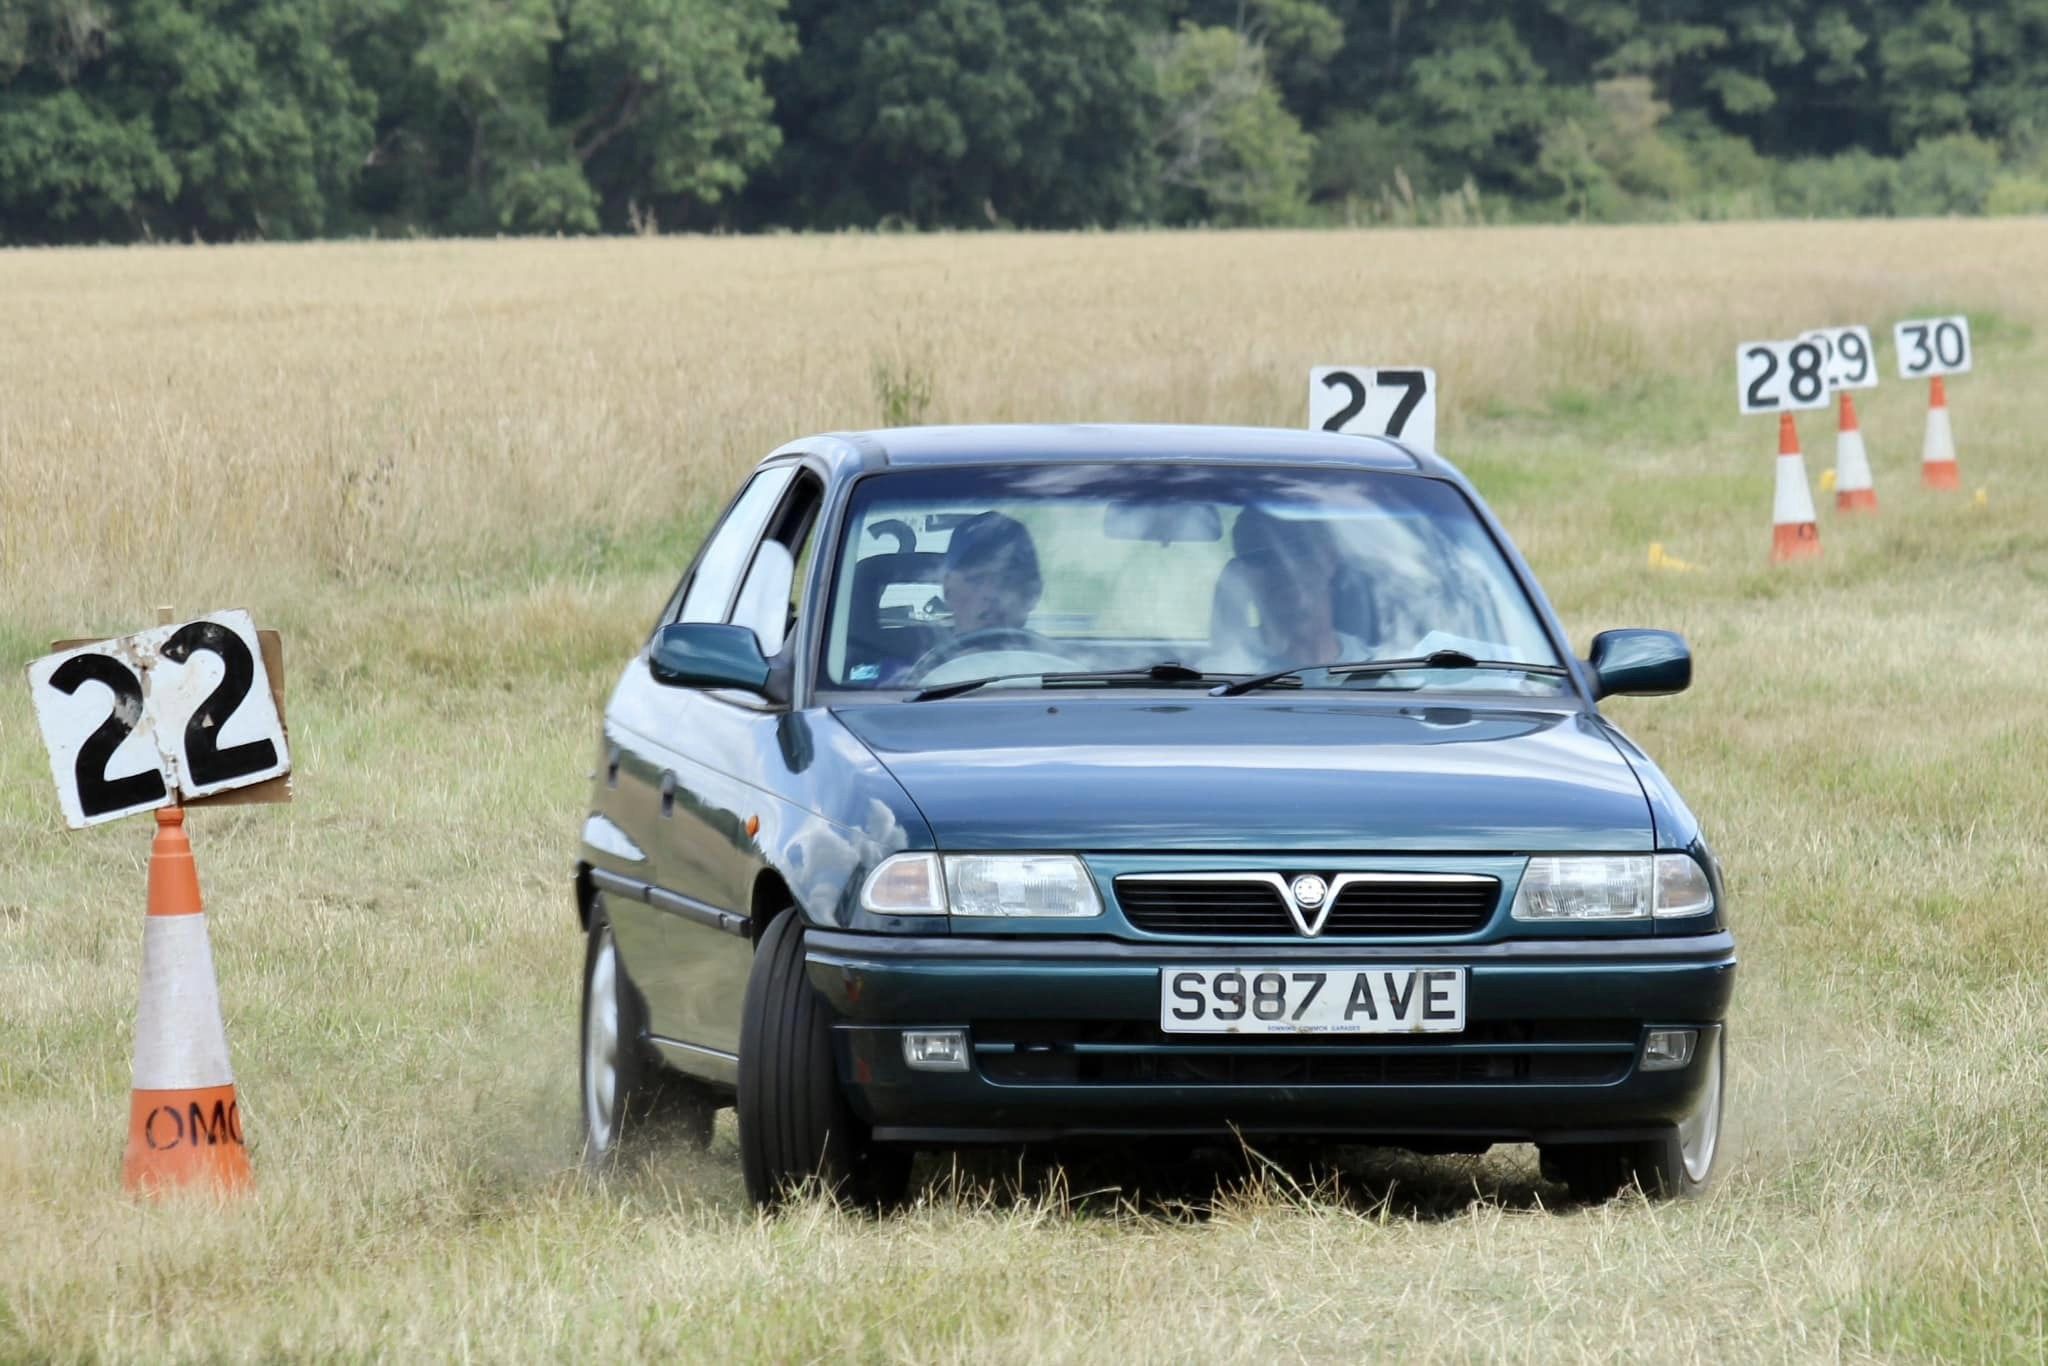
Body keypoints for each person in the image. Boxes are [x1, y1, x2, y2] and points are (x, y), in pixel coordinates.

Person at [895, 511, 1048, 680]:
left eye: (1007, 579)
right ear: (947, 589)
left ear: (1033, 592)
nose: (990, 593)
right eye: (976, 579)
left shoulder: (1064, 669)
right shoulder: (901, 676)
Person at [1214, 507, 1370, 672]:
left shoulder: (1380, 668)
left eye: (1298, 551)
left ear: (1330, 558)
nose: (1284, 567)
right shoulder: (1218, 675)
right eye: (1260, 557)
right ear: (1242, 574)